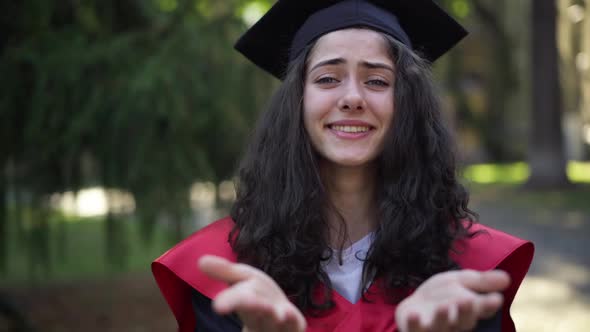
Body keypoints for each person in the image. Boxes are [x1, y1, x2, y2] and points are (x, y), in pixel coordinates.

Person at [152, 0, 534, 331]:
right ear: (297, 103)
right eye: (328, 78)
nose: (352, 97)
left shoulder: (467, 275)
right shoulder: (231, 273)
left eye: (378, 81)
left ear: (407, 105)